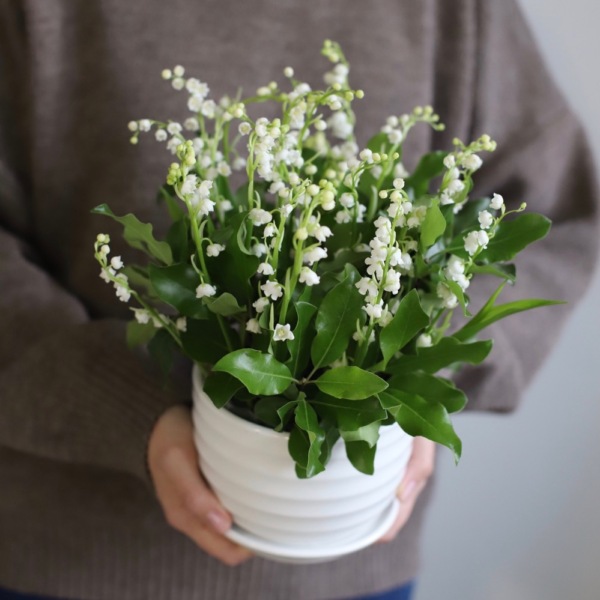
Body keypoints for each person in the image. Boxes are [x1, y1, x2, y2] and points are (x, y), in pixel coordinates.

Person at [0, 1, 597, 599]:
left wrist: (418, 358)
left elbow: (560, 218)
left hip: (351, 565)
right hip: (68, 563)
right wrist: (118, 405)